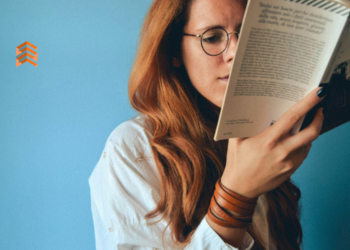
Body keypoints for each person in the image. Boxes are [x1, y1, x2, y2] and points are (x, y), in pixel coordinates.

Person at [89, 0, 327, 249]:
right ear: (174, 51)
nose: (237, 51)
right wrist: (236, 195)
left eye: (248, 33)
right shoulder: (133, 147)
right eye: (212, 37)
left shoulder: (262, 133)